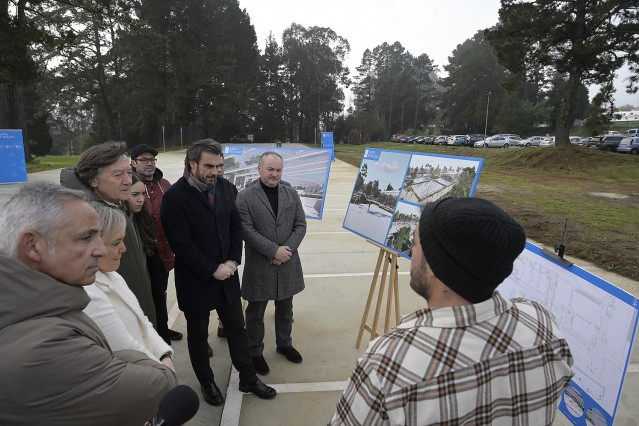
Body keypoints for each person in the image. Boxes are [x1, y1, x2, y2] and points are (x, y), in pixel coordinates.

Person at [330, 197, 574, 425]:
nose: (410, 253)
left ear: (436, 266)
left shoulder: (389, 364)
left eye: (415, 244)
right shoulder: (542, 325)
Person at [0, 182, 177, 425]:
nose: (100, 250)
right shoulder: (43, 345)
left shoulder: (52, 305)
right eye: (86, 237)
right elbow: (156, 386)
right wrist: (128, 357)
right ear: (32, 245)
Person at [161, 139, 276, 405]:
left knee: (237, 327)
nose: (216, 172)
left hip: (227, 275)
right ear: (193, 164)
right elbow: (181, 243)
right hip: (196, 278)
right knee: (198, 334)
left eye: (220, 166)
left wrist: (233, 262)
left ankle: (248, 378)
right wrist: (212, 268)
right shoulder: (174, 197)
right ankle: (207, 382)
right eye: (209, 166)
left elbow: (236, 226)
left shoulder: (226, 187)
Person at [60, 141, 157, 328]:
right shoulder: (91, 219)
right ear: (93, 180)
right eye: (118, 174)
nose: (128, 180)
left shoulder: (115, 203)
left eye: (129, 173)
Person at [236, 151, 307, 375]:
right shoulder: (245, 197)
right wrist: (273, 250)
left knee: (285, 308)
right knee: (255, 313)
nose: (274, 174)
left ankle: (284, 344)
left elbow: (300, 225)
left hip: (287, 262)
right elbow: (246, 230)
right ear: (259, 169)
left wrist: (286, 250)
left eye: (278, 170)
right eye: (270, 169)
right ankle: (255, 352)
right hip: (260, 265)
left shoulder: (291, 194)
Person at [83, 202, 174, 367]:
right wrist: (161, 368)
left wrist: (164, 354)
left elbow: (143, 321)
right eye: (116, 243)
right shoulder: (88, 293)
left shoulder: (113, 276)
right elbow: (123, 345)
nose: (124, 249)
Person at [130, 144, 183, 343]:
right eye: (144, 160)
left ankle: (162, 328)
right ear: (133, 163)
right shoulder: (129, 186)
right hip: (143, 252)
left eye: (152, 160)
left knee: (160, 293)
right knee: (145, 296)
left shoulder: (165, 185)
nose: (149, 163)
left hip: (164, 250)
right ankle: (153, 334)